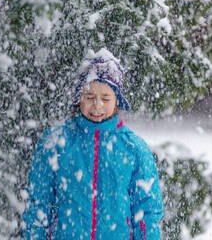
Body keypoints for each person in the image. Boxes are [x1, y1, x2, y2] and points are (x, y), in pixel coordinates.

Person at [22, 49, 164, 240]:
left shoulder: (134, 148)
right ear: (79, 97)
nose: (97, 105)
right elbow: (38, 204)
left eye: (105, 98)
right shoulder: (55, 143)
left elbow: (146, 211)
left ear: (117, 101)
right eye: (89, 97)